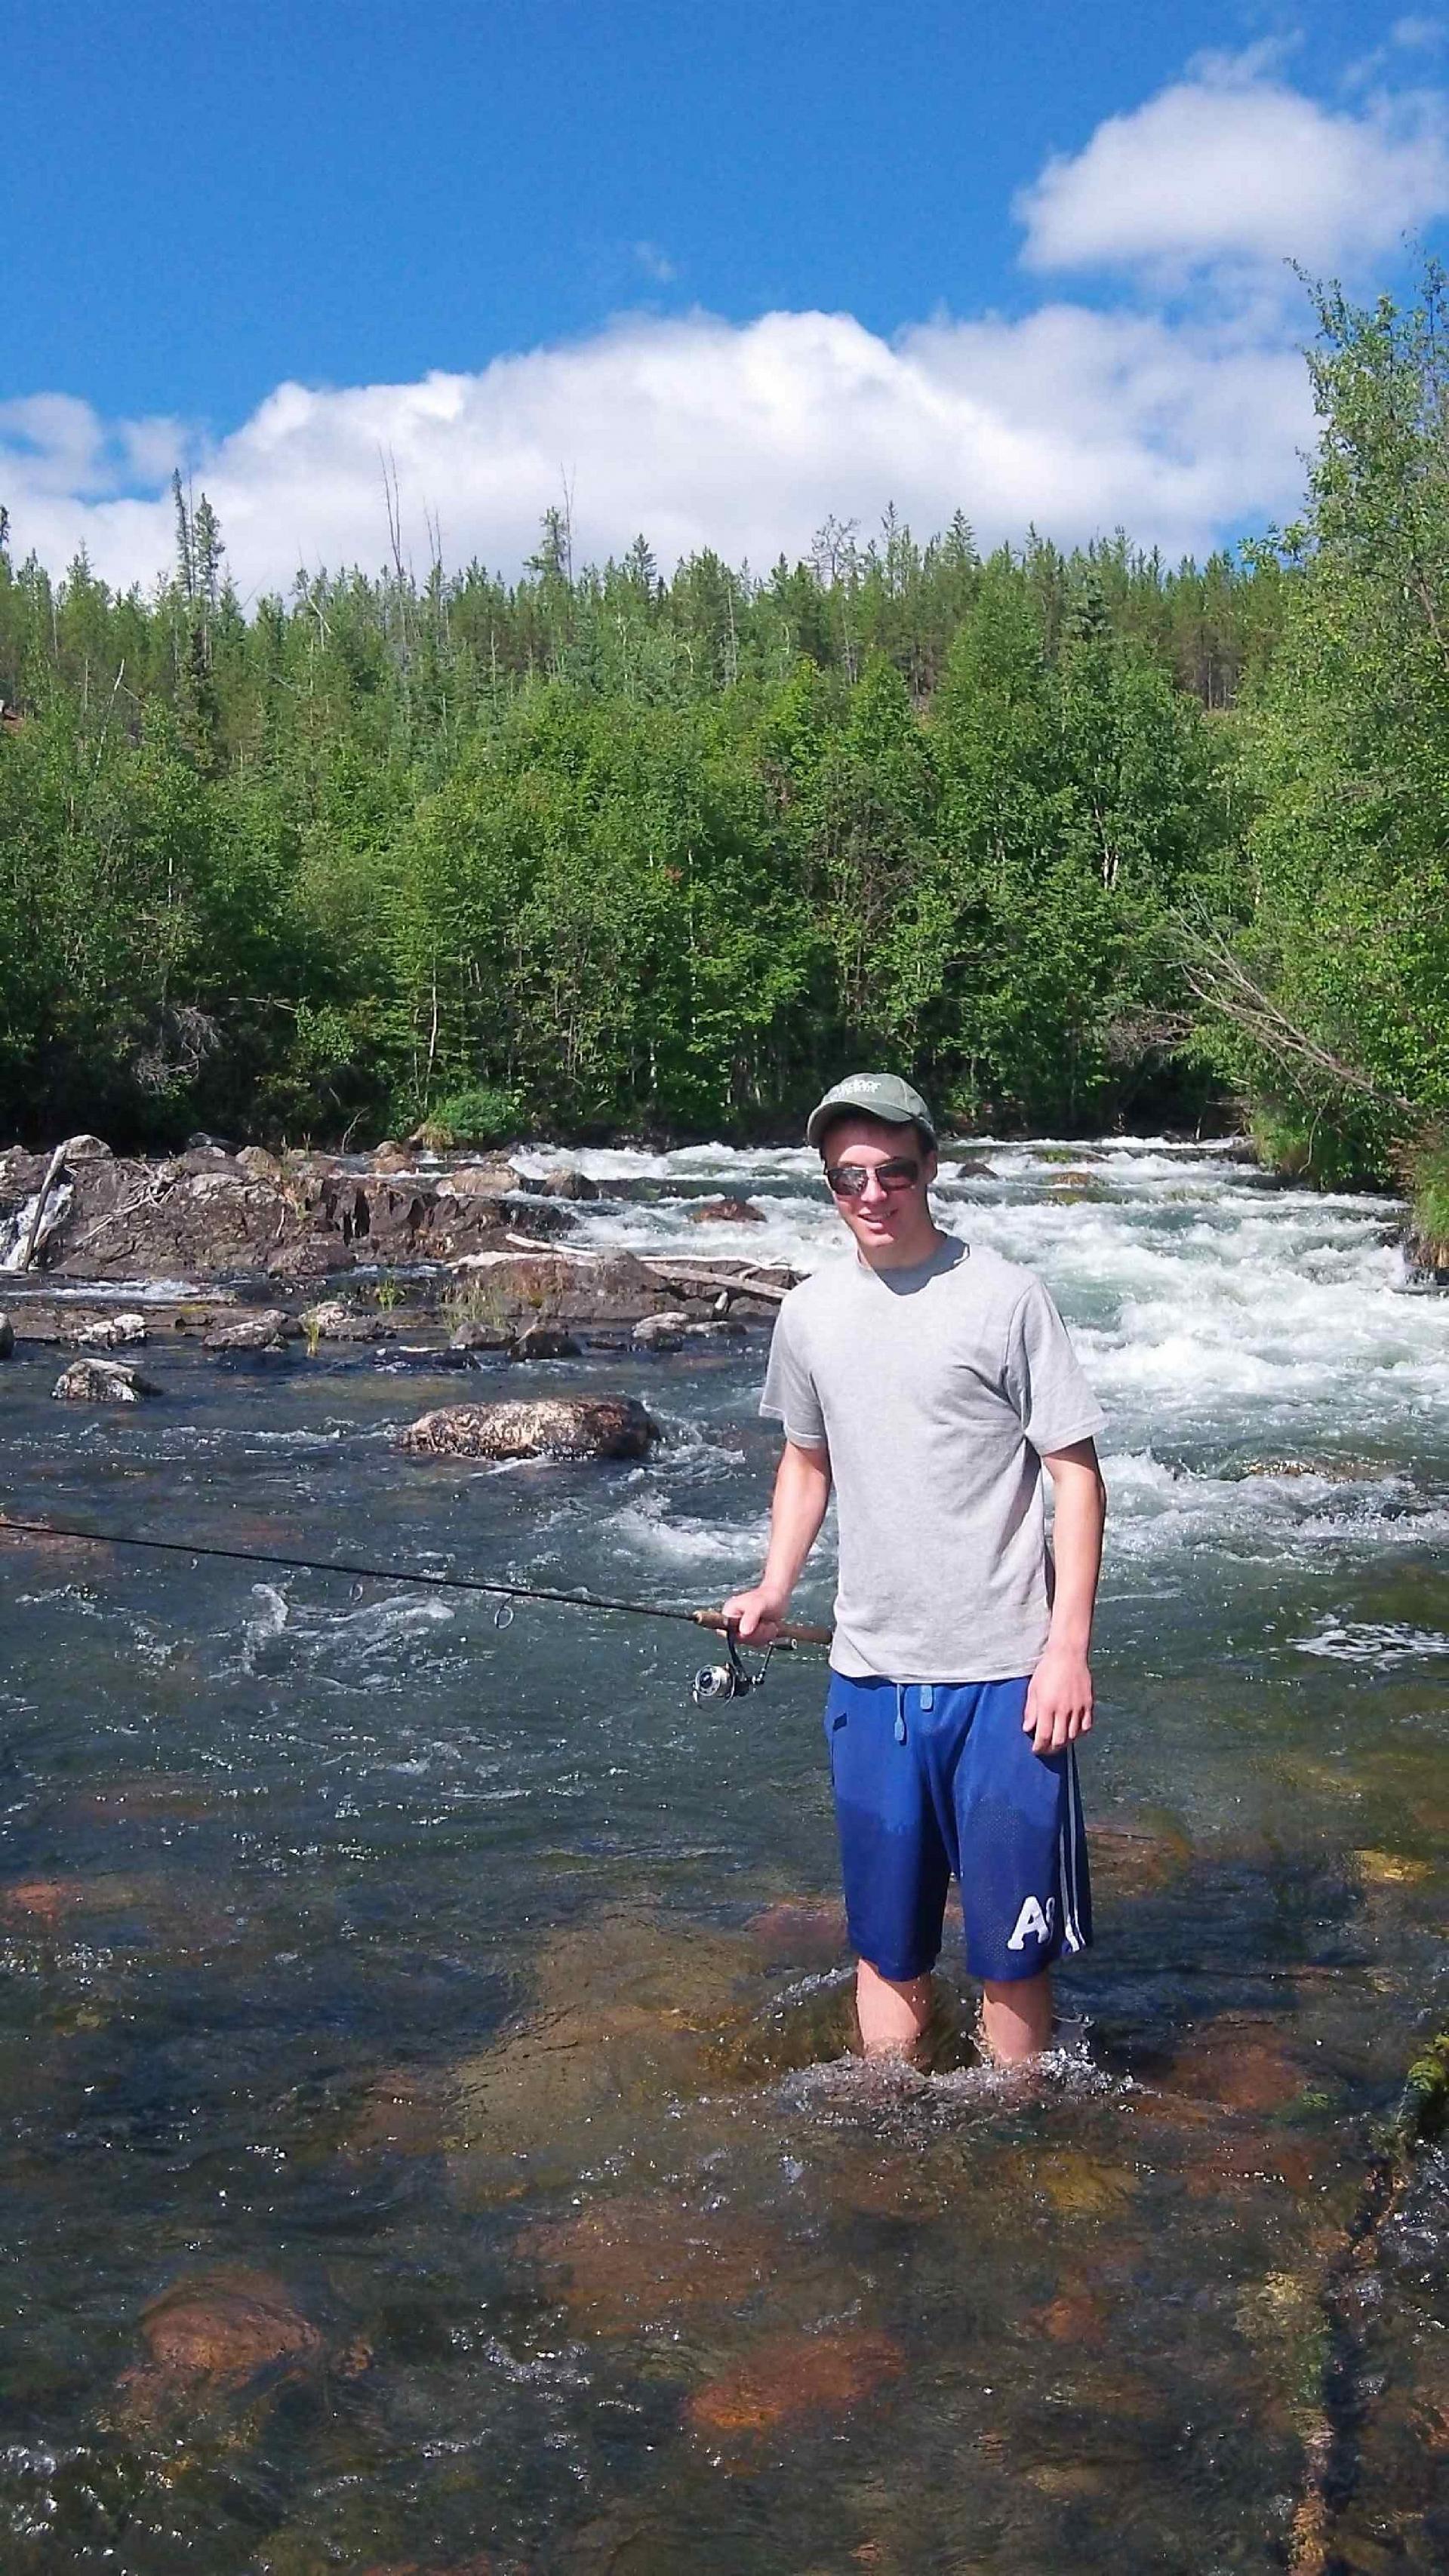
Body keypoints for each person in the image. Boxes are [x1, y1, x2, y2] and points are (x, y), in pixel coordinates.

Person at [722, 1072, 1107, 2067]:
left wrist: (1066, 1649)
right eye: (847, 1176)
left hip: (1007, 1686)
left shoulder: (1009, 1299)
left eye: (893, 1169)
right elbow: (807, 1461)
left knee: (1010, 1955)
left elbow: (1076, 1477)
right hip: (872, 1682)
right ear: (828, 1185)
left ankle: (1015, 2139)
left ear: (929, 1164)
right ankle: (888, 2144)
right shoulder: (807, 1315)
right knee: (887, 1943)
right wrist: (773, 1586)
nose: (872, 1192)